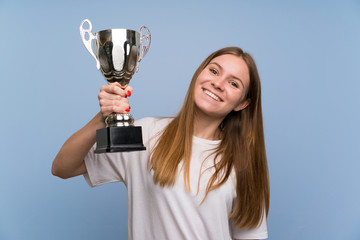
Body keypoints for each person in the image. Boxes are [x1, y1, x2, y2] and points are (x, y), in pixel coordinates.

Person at [52, 46, 270, 240]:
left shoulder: (245, 164)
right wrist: (104, 117)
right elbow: (62, 167)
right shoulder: (145, 134)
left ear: (242, 103)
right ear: (199, 75)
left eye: (233, 83)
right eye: (213, 70)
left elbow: (250, 236)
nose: (218, 83)